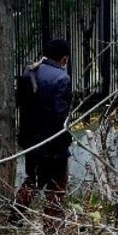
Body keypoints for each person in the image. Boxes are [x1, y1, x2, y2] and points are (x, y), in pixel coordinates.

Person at [14, 38, 73, 225]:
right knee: (57, 185)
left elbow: (20, 103)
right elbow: (59, 115)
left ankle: (15, 217)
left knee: (33, 179)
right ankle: (51, 225)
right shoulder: (62, 78)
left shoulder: (29, 72)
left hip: (31, 140)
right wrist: (65, 140)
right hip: (53, 143)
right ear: (64, 59)